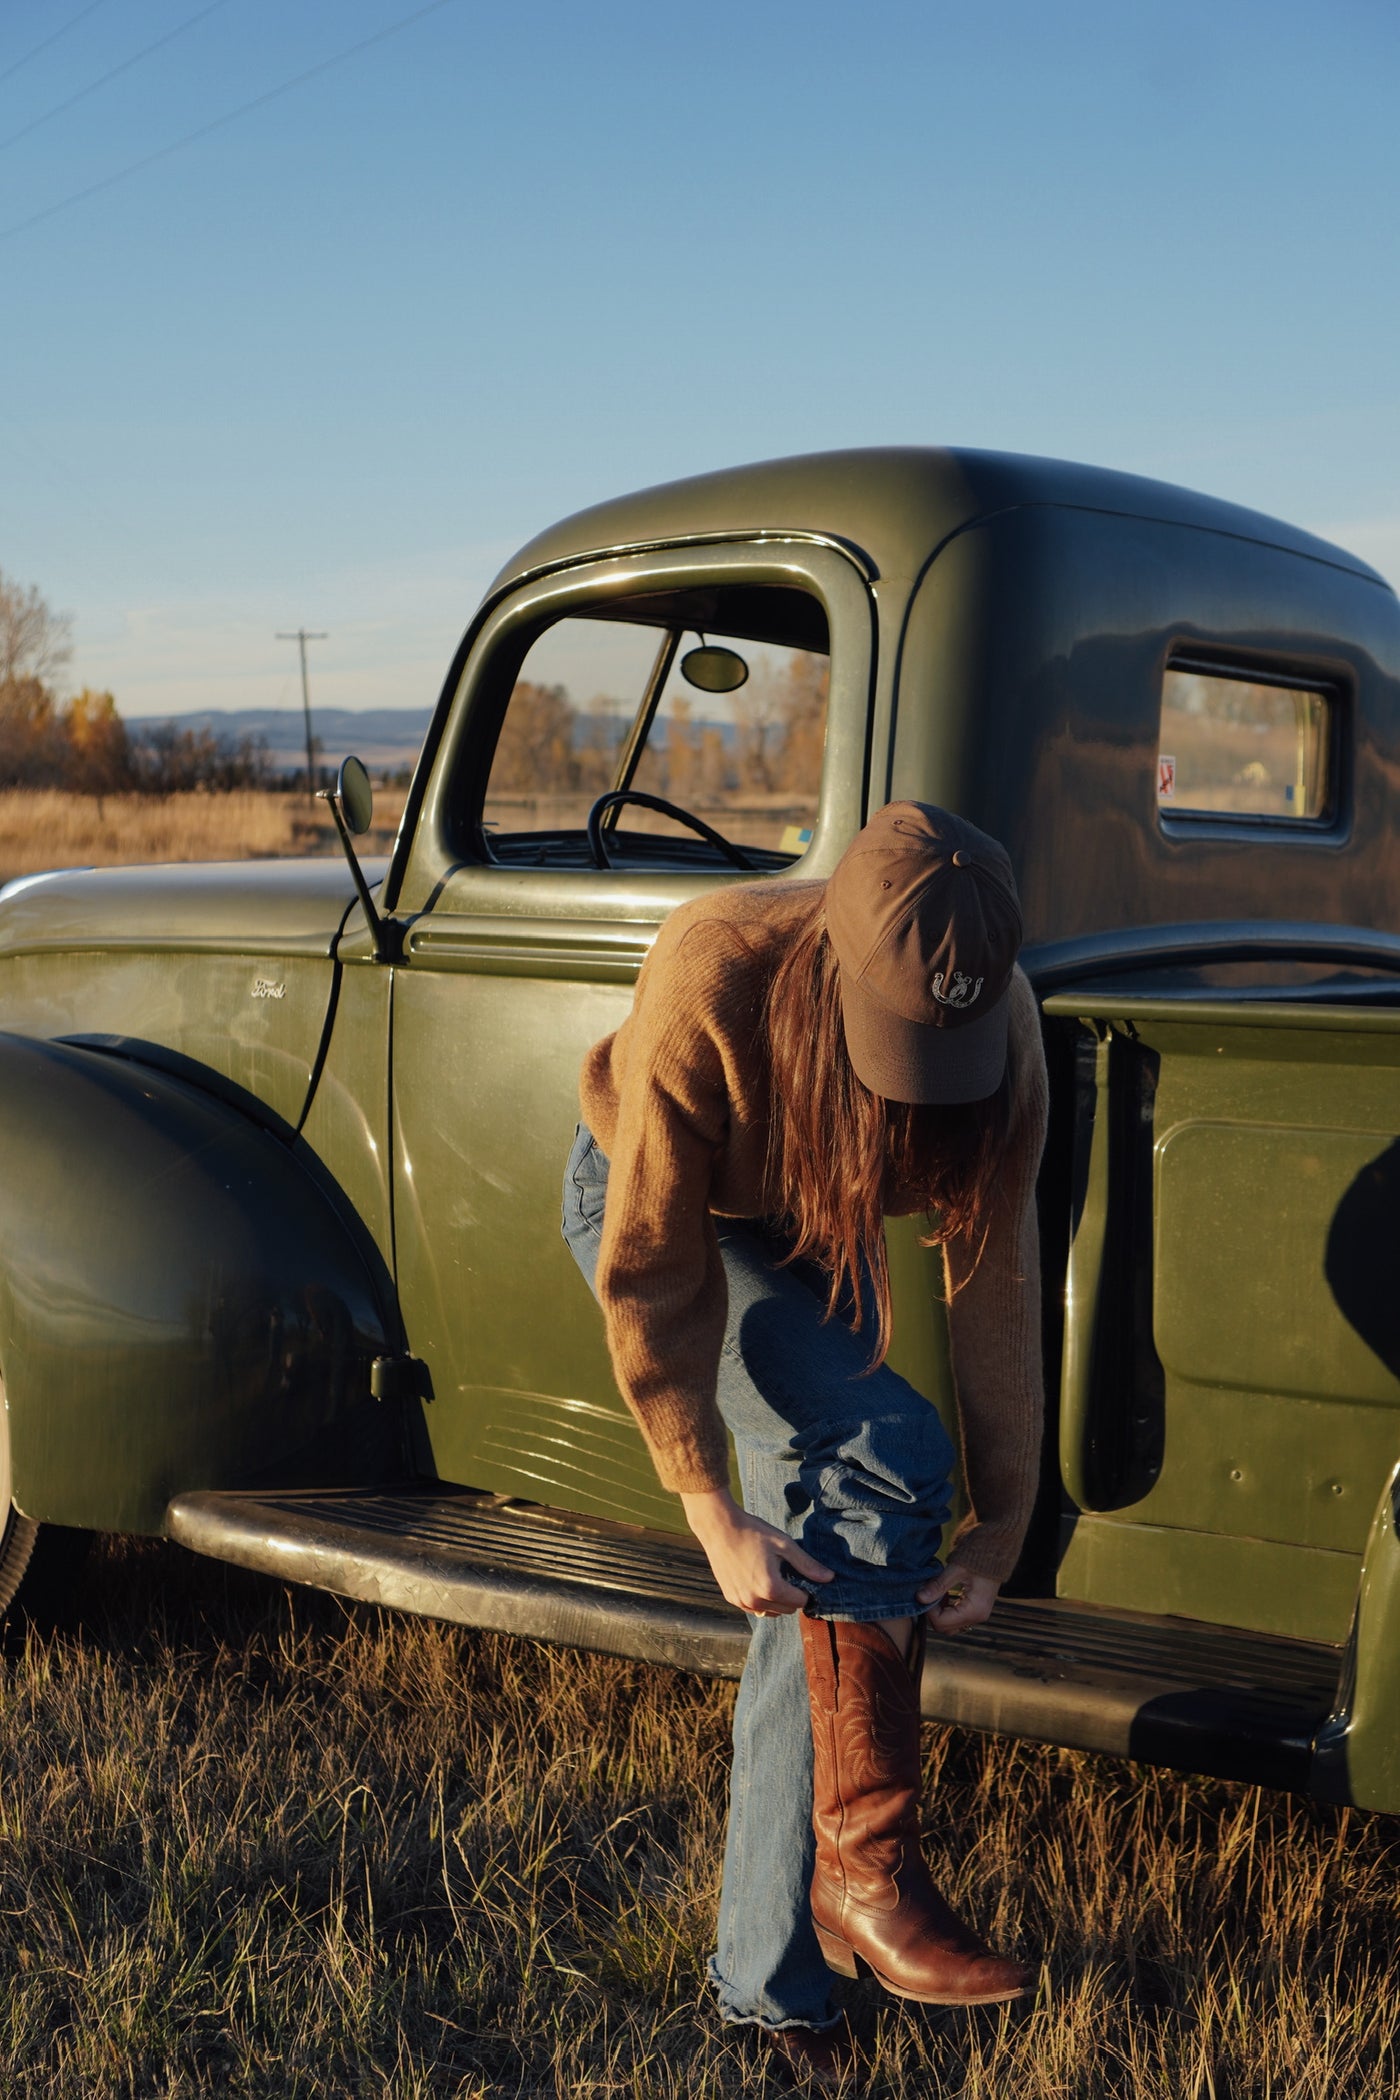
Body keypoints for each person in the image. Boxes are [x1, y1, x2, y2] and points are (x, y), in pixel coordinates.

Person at [560, 801, 1048, 2087]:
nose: (916, 1092)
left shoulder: (1004, 1030)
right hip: (658, 1202)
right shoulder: (713, 968)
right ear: (832, 968)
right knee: (879, 1442)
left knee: (843, 1542)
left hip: (800, 1220)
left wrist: (999, 1524)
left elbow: (994, 1286)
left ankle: (781, 1969)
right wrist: (705, 1501)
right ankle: (848, 1896)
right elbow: (652, 1267)